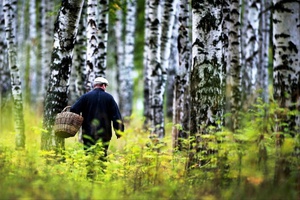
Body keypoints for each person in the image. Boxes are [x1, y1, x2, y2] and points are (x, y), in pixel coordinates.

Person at [70, 77, 124, 157]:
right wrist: (119, 131)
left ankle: (89, 169)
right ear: (103, 85)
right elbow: (116, 116)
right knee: (102, 155)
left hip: (88, 132)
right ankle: (101, 168)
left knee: (88, 154)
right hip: (105, 133)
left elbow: (73, 109)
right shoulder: (109, 98)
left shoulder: (86, 97)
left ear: (94, 86)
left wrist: (78, 121)